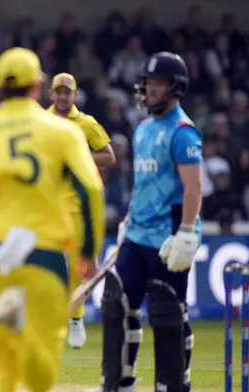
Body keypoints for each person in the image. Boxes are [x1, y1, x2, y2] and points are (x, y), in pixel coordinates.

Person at [0, 47, 106, 392]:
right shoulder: (63, 132)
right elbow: (90, 191)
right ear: (38, 87)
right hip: (44, 254)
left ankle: (13, 322)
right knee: (41, 367)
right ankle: (25, 337)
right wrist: (87, 251)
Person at [97, 52, 202, 392]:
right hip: (137, 234)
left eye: (157, 84)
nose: (150, 90)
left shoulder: (183, 133)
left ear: (175, 88)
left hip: (169, 237)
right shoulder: (142, 129)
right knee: (116, 304)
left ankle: (171, 386)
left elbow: (193, 187)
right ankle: (116, 383)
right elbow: (142, 185)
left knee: (167, 312)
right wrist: (128, 219)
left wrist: (187, 231)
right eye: (148, 83)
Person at [48, 72, 115, 349]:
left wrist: (78, 157)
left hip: (75, 203)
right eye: (58, 92)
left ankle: (75, 317)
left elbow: (109, 156)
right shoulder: (43, 120)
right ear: (51, 94)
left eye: (68, 92)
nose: (63, 96)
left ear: (75, 96)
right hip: (47, 202)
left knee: (79, 264)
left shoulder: (86, 123)